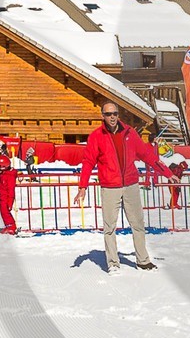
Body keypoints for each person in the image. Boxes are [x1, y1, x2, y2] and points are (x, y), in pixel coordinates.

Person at [74, 102, 176, 271]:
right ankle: (113, 263)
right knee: (109, 227)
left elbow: (147, 155)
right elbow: (88, 162)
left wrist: (167, 173)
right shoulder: (96, 136)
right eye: (108, 114)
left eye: (114, 113)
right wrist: (82, 186)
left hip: (130, 184)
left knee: (138, 224)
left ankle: (143, 261)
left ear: (118, 115)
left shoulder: (130, 133)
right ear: (102, 116)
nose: (112, 117)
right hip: (110, 186)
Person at [0, 140, 19, 235]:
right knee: (3, 213)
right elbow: (1, 185)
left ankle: (11, 226)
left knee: (6, 213)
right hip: (2, 197)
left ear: (2, 166)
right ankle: (9, 225)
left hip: (6, 198)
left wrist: (10, 202)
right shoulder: (3, 175)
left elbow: (11, 190)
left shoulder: (9, 176)